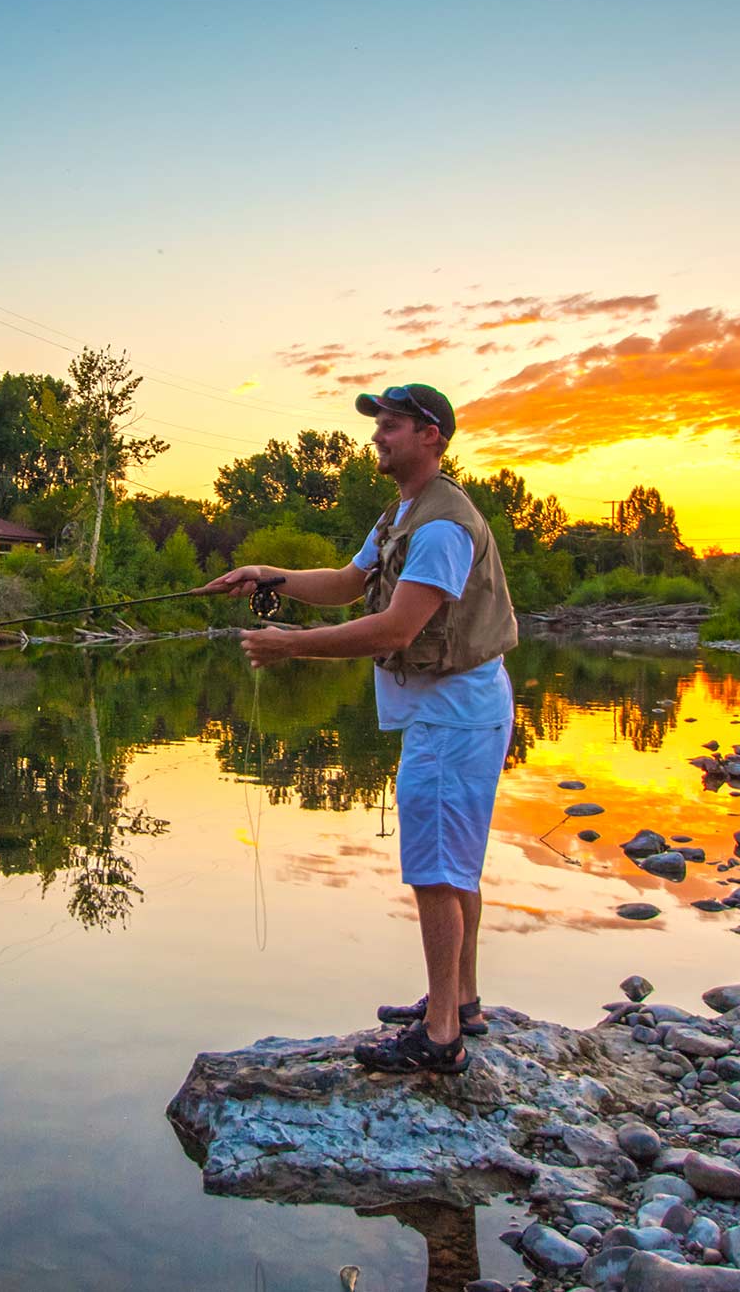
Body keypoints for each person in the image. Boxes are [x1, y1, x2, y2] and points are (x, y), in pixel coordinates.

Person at [204, 382, 517, 1074]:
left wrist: (293, 646)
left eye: (394, 425)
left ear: (432, 435)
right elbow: (350, 581)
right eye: (379, 424)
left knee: (437, 869)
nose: (378, 435)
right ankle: (459, 1000)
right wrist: (269, 575)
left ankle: (441, 1038)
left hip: (456, 714)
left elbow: (397, 627)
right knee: (455, 862)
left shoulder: (441, 526)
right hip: (458, 707)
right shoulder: (402, 512)